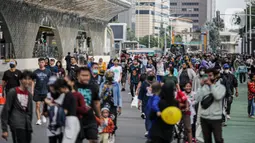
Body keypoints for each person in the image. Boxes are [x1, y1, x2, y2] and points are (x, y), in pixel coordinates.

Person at [1, 70, 34, 143]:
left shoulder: (29, 95)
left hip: (27, 126)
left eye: (30, 79)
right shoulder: (13, 92)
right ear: (20, 80)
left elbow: (30, 112)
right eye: (25, 79)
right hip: (16, 125)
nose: (27, 81)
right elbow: (6, 110)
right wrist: (4, 129)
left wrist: (29, 125)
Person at [196, 68, 226, 143]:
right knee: (207, 140)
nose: (208, 78)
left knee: (218, 139)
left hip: (216, 118)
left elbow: (217, 96)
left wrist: (211, 85)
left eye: (210, 75)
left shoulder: (221, 87)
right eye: (207, 76)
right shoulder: (203, 88)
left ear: (215, 76)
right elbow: (198, 98)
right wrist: (201, 86)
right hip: (204, 118)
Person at [50, 79, 80, 143]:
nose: (58, 91)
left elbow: (65, 111)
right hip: (72, 121)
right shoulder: (69, 95)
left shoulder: (68, 96)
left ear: (63, 87)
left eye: (59, 89)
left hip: (70, 120)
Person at [75, 67, 101, 143]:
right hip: (76, 120)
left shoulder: (93, 87)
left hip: (90, 119)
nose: (86, 77)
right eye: (83, 75)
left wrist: (100, 116)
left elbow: (96, 102)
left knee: (94, 140)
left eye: (87, 75)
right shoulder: (73, 87)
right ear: (78, 76)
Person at [99, 70, 122, 135]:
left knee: (113, 119)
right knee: (104, 118)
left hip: (113, 104)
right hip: (104, 104)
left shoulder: (116, 84)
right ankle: (104, 132)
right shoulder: (103, 84)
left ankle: (112, 133)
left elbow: (119, 96)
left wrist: (119, 106)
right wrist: (103, 90)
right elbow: (99, 96)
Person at [32, 58, 51, 125]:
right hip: (37, 91)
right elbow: (33, 82)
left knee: (45, 106)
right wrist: (32, 90)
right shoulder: (35, 72)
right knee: (37, 105)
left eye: (42, 62)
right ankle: (38, 119)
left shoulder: (48, 71)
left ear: (44, 63)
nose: (41, 63)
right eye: (40, 62)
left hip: (45, 90)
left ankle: (43, 115)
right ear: (38, 63)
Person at [138, 71, 155, 137]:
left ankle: (153, 130)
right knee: (148, 117)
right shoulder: (144, 83)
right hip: (146, 103)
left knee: (153, 117)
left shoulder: (156, 83)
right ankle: (148, 130)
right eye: (150, 75)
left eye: (152, 75)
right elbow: (141, 93)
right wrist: (139, 102)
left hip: (154, 103)